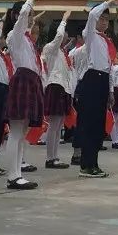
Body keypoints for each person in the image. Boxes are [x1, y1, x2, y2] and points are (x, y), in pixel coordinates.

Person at [74, 0, 118, 177]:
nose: (104, 22)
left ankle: (93, 163)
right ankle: (86, 165)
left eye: (107, 20)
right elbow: (93, 15)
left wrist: (110, 91)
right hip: (91, 79)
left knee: (97, 125)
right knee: (89, 124)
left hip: (102, 81)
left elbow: (109, 68)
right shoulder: (90, 35)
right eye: (102, 19)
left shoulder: (106, 41)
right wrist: (108, 3)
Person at [1, 0, 46, 192]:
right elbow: (20, 20)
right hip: (22, 80)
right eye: (29, 14)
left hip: (31, 80)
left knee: (22, 132)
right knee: (16, 131)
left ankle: (18, 173)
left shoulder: (27, 39)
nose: (31, 18)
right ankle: (12, 175)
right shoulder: (15, 35)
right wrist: (30, 0)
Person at [40, 9, 75, 170]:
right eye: (64, 31)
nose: (66, 35)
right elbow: (59, 37)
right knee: (54, 125)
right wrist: (64, 19)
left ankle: (54, 156)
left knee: (59, 124)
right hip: (55, 86)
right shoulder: (50, 48)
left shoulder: (61, 51)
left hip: (63, 88)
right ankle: (50, 158)